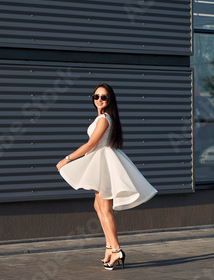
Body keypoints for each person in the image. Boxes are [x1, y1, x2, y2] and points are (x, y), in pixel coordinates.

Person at [56, 83, 157, 270]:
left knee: (105, 209)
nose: (99, 100)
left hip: (104, 163)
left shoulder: (104, 119)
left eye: (103, 97)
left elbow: (91, 144)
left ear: (109, 100)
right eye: (96, 97)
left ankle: (117, 250)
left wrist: (67, 159)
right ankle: (109, 248)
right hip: (101, 163)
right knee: (99, 206)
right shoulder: (102, 118)